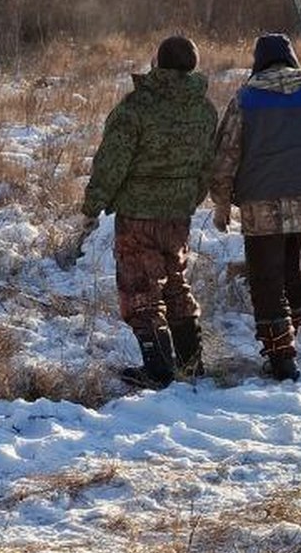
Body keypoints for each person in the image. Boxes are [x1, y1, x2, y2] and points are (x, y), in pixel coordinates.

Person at [209, 32, 301, 382]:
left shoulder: (246, 99)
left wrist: (220, 204)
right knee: (293, 268)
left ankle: (281, 357)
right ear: (292, 60)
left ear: (258, 61)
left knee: (265, 278)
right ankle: (290, 337)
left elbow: (225, 156)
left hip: (261, 202)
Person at [80, 35, 220, 388]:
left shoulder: (136, 108)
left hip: (138, 215)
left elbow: (112, 161)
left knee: (140, 290)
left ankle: (158, 370)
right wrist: (189, 198)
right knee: (175, 282)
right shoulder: (204, 110)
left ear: (157, 63)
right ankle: (191, 363)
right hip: (178, 215)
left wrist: (93, 203)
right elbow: (208, 165)